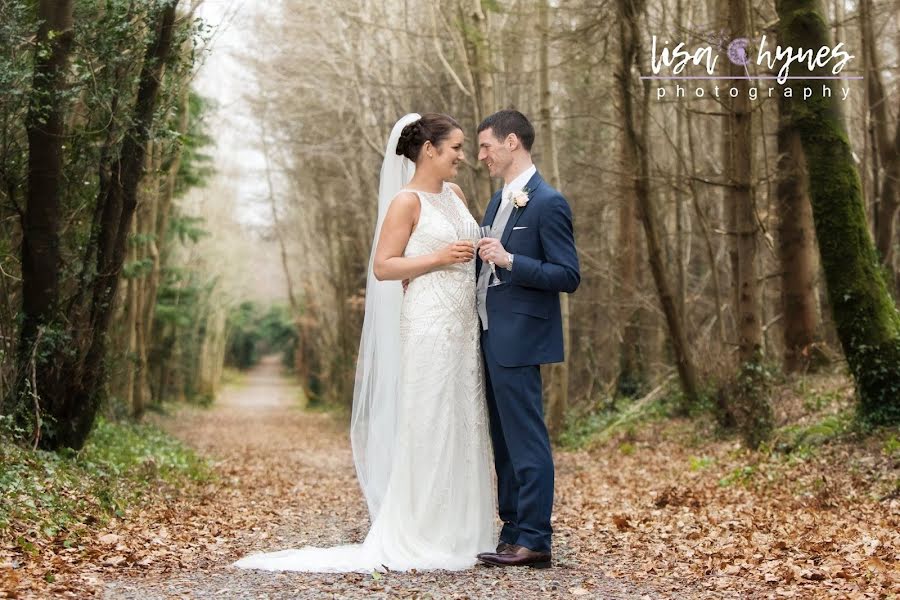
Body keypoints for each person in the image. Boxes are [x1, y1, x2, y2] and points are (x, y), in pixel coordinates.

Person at [233, 113, 497, 572]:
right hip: (429, 324)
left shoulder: (455, 195)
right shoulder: (405, 202)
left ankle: (463, 530)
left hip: (463, 326)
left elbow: (467, 246)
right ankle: (420, 532)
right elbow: (383, 267)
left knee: (464, 422)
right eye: (454, 147)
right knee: (430, 421)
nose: (462, 156)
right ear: (429, 150)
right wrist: (435, 258)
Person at [473, 109, 580, 569]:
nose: (481, 156)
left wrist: (512, 260)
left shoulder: (548, 202)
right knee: (502, 439)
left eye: (486, 147)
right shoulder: (498, 202)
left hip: (520, 337)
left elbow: (568, 275)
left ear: (511, 142)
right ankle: (513, 529)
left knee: (526, 438)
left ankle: (536, 536)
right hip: (489, 335)